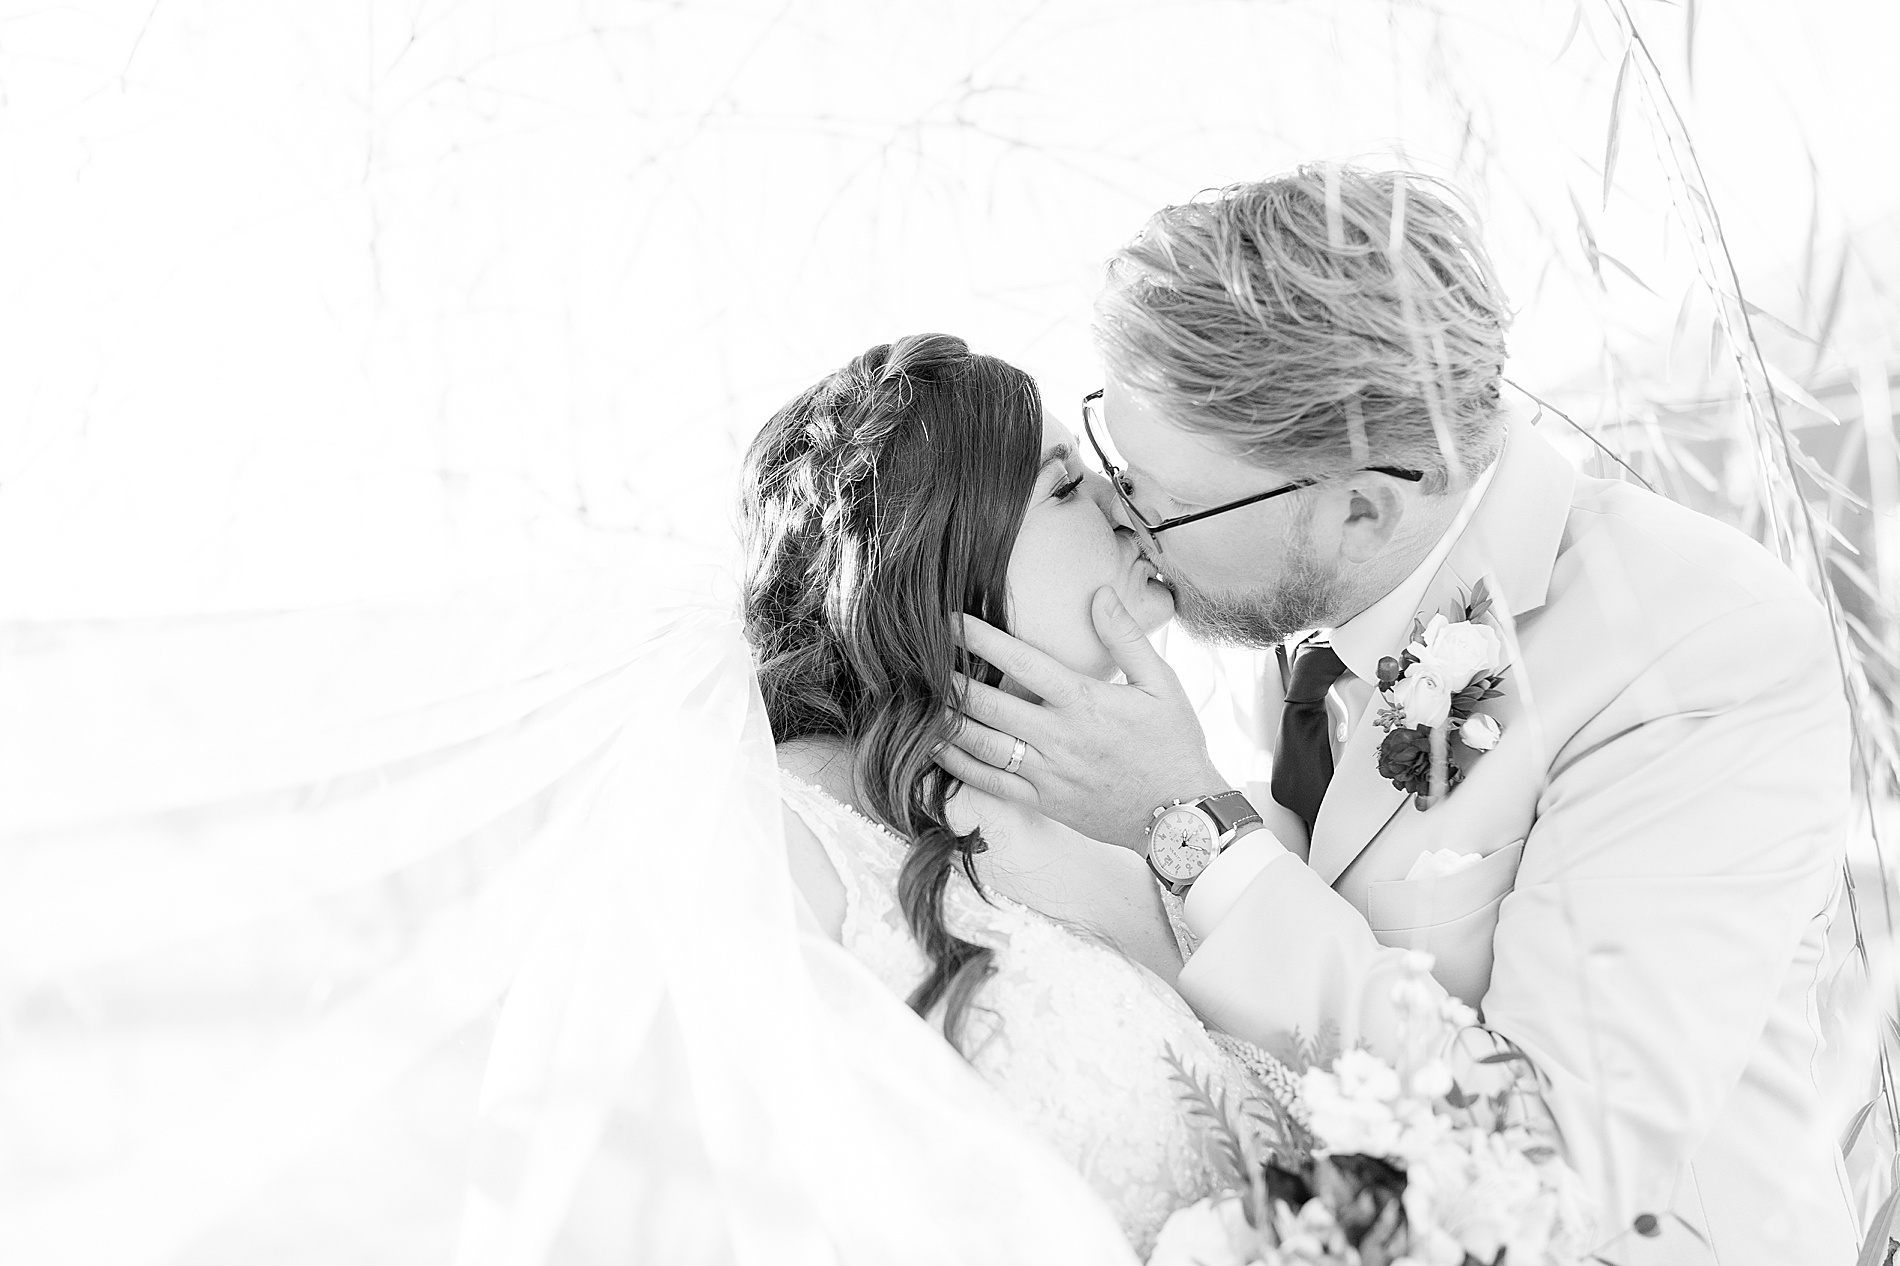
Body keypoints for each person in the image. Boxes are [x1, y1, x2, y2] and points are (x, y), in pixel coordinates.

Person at [940, 165, 1858, 1264]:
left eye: (1163, 500)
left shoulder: (1688, 648)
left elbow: (1550, 1161)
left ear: (1359, 507)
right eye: (1110, 456)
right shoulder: (1305, 601)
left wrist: (1190, 826)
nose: (1123, 518)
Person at [739, 331, 1299, 1255]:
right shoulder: (784, 844)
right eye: (1068, 486)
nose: (1128, 509)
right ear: (942, 555)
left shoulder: (1171, 819)